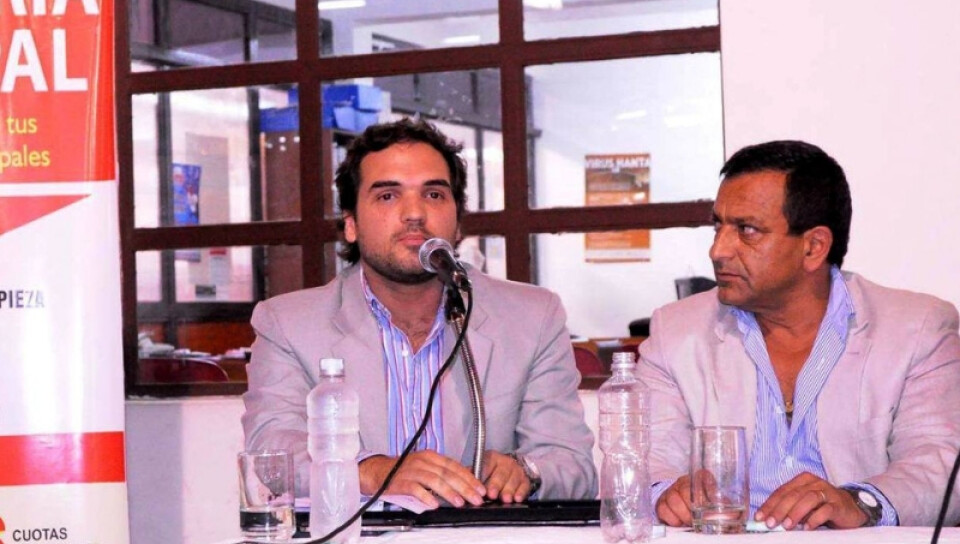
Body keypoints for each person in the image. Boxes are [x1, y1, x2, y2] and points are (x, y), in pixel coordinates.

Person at [242, 118, 597, 509]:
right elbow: (272, 458)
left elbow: (573, 465)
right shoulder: (288, 324)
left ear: (457, 223)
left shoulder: (532, 317)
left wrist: (528, 471)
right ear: (351, 224)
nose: (414, 213)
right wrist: (371, 472)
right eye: (387, 196)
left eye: (433, 194)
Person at [638, 140, 960, 530]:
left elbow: (940, 467)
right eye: (718, 226)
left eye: (746, 230)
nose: (718, 250)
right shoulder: (675, 332)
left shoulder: (916, 329)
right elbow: (644, 460)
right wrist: (665, 492)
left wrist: (859, 502)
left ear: (814, 247)